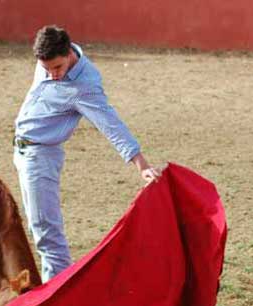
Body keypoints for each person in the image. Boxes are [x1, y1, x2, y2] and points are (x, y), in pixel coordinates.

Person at [13, 25, 160, 281]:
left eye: (57, 68)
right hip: (23, 151)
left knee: (46, 233)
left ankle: (58, 303)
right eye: (47, 70)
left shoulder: (84, 86)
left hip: (40, 157)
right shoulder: (51, 56)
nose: (53, 75)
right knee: (38, 228)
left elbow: (110, 124)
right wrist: (50, 68)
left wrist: (141, 163)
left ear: (69, 53)